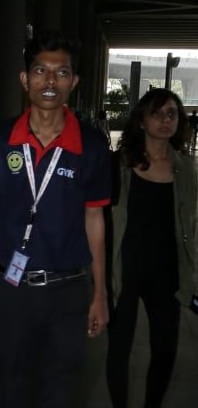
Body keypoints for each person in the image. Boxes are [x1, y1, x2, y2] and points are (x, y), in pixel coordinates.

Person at [0, 30, 112, 408]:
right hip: (11, 289)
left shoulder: (92, 145)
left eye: (61, 72)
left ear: (74, 82)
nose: (50, 81)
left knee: (59, 394)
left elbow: (95, 219)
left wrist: (100, 293)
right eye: (41, 71)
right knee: (13, 389)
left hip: (67, 291)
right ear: (25, 79)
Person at [106, 88, 197, 408]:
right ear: (142, 120)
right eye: (156, 113)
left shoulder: (185, 169)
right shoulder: (119, 165)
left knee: (166, 349)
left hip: (167, 272)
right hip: (124, 268)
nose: (165, 120)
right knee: (119, 348)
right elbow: (99, 218)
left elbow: (189, 226)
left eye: (171, 113)